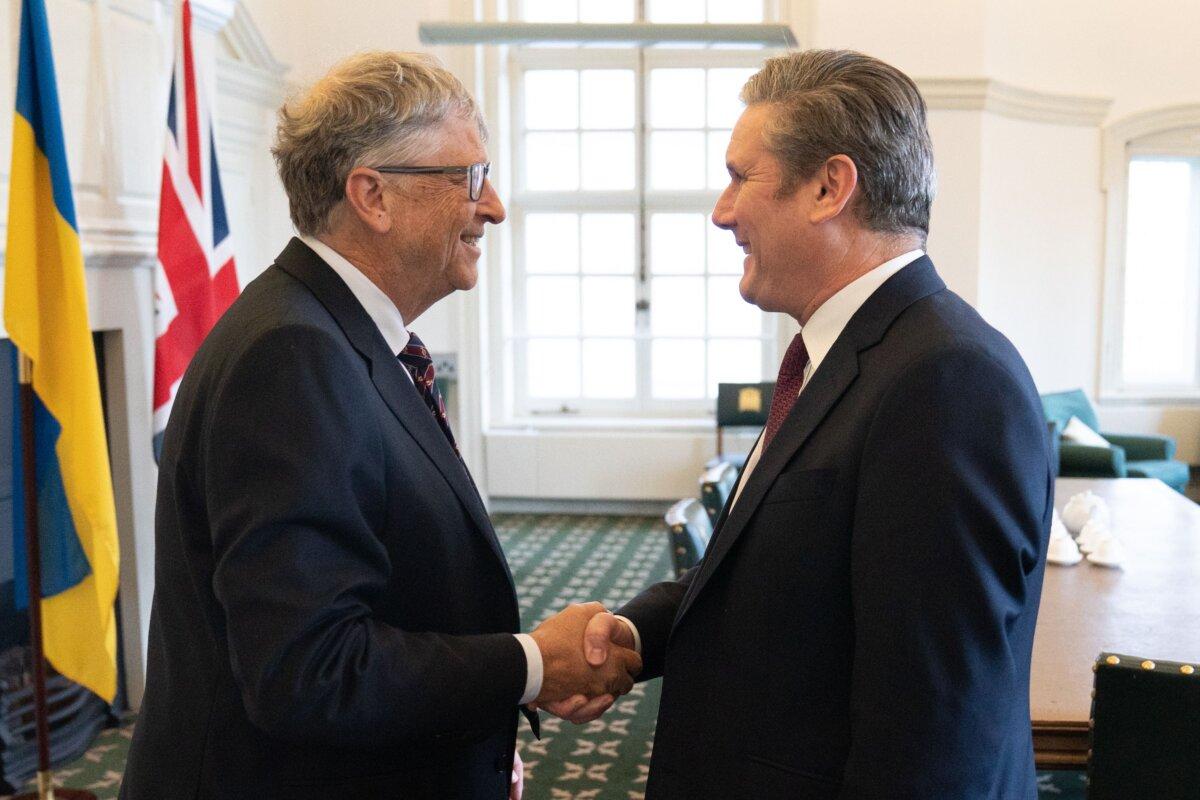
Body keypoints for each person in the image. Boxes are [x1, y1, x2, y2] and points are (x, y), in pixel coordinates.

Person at [120, 51, 640, 800]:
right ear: (372, 195)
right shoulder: (293, 354)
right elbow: (310, 671)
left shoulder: (336, 335)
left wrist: (483, 728)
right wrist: (531, 663)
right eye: (469, 177)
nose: (493, 205)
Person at [546, 50, 1053, 799]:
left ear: (828, 187)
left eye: (741, 176)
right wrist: (638, 634)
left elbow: (932, 735)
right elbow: (785, 572)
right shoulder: (849, 357)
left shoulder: (944, 383)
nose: (722, 211)